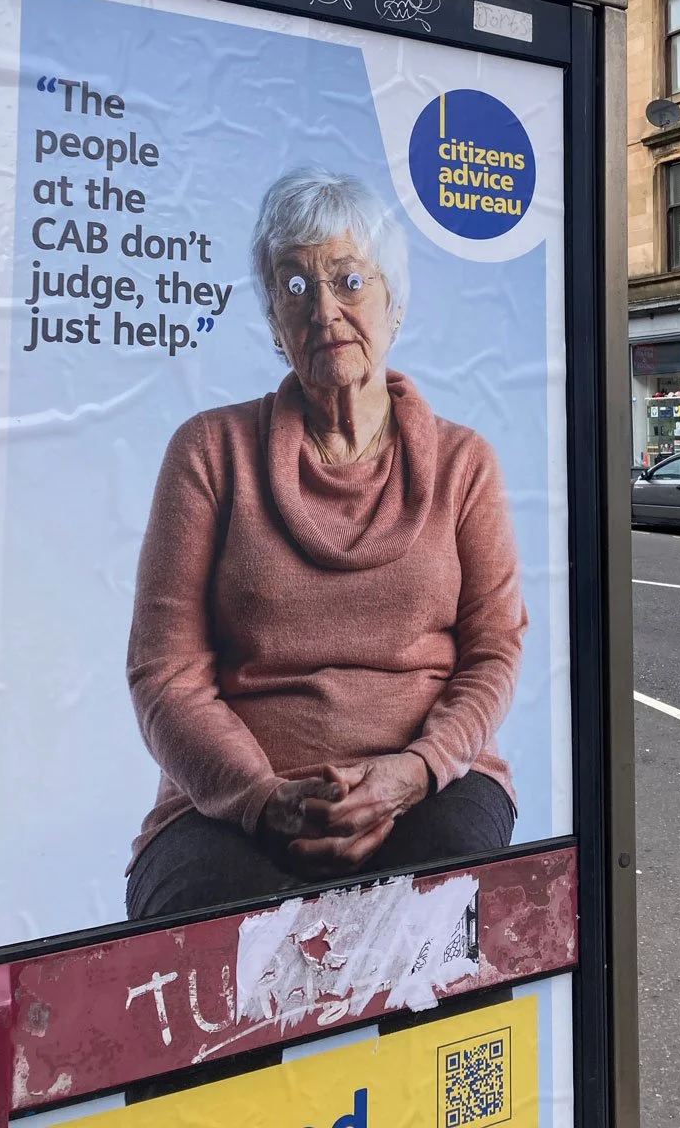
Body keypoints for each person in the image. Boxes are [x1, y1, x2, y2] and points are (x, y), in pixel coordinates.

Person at [125, 167, 526, 920]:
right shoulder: (209, 453)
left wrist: (415, 770)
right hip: (229, 802)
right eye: (296, 287)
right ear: (274, 318)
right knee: (209, 954)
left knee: (444, 933)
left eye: (349, 279)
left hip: (432, 783)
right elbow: (163, 673)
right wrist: (264, 798)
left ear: (394, 302)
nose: (325, 310)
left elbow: (495, 649)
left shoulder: (464, 461)